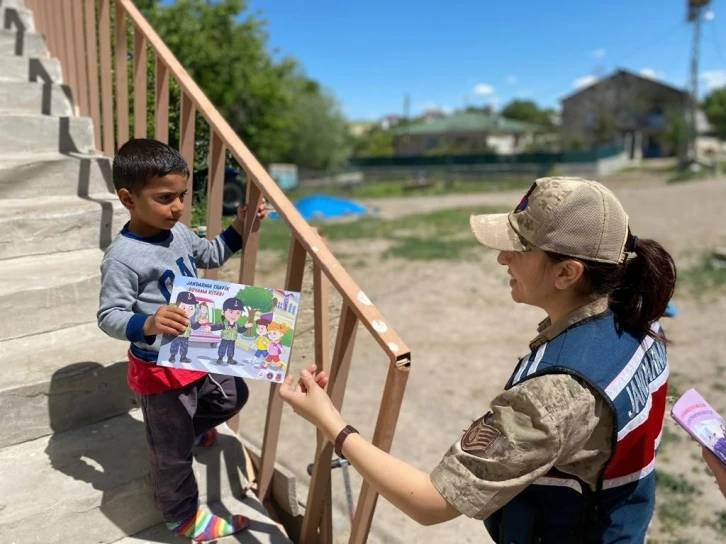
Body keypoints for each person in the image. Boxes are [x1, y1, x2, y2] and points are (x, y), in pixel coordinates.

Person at [280, 176, 677, 543]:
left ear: (567, 273)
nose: (502, 258)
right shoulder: (639, 323)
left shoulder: (554, 395)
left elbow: (429, 501)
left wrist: (330, 422)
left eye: (519, 248)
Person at [96, 138, 267, 542]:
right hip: (160, 370)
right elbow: (109, 315)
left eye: (182, 196)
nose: (177, 207)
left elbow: (210, 253)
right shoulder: (122, 257)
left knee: (232, 397)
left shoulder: (179, 232)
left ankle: (191, 429)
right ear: (127, 198)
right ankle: (182, 516)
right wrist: (149, 322)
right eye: (165, 197)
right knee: (172, 457)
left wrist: (240, 227)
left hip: (200, 349)